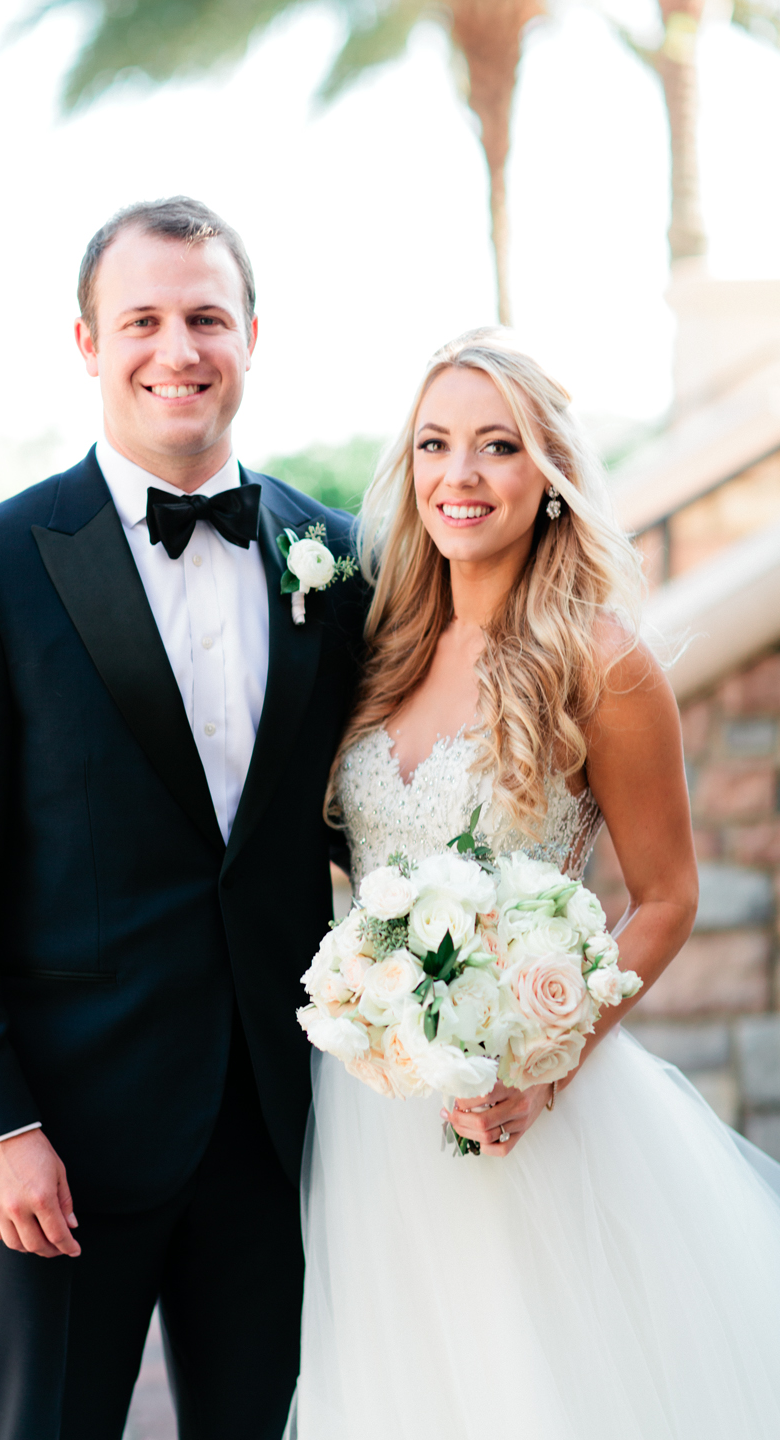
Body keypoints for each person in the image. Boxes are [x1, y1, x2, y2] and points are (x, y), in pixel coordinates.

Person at [0, 196, 364, 1440]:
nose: (178, 349)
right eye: (141, 319)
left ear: (253, 335)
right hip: (61, 1142)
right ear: (88, 344)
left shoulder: (341, 563)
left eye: (206, 316)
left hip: (279, 1130)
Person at [288, 330, 780, 1439]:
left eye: (497, 447)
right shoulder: (381, 650)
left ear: (550, 476)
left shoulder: (600, 662)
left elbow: (668, 896)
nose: (460, 477)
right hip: (372, 1121)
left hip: (532, 1114)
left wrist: (548, 1067)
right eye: (435, 445)